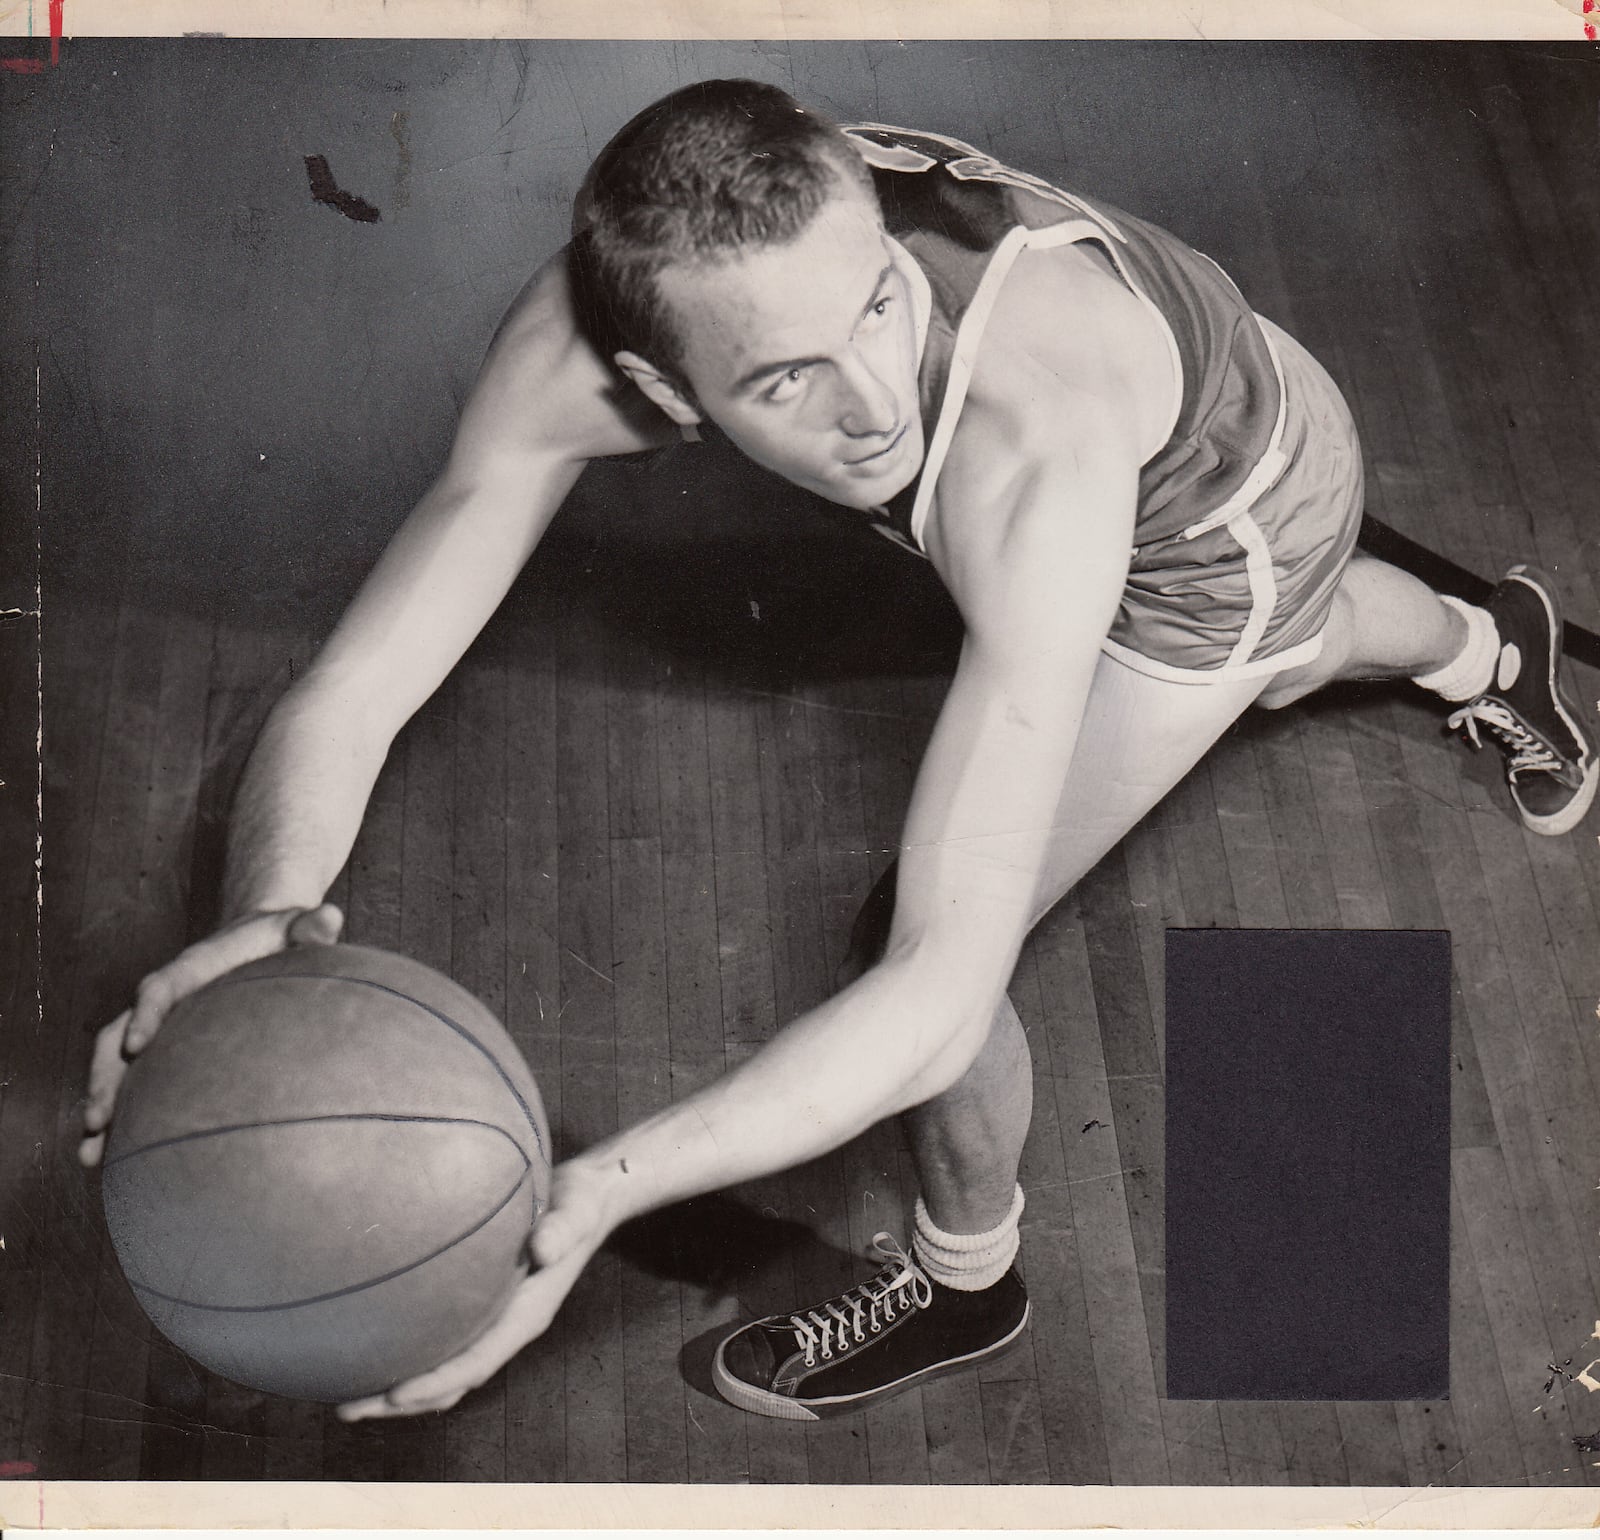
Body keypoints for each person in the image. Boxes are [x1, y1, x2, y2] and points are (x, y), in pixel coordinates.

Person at [79, 79, 1596, 1425]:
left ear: (867, 224)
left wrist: (592, 1193)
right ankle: (1485, 646)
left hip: (1202, 533)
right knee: (1299, 652)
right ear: (657, 395)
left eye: (876, 303)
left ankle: (968, 1278)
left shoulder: (1027, 454)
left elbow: (937, 994)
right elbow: (357, 688)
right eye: (785, 377)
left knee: (943, 911)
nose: (876, 404)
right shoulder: (583, 339)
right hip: (1230, 388)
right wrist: (266, 921)